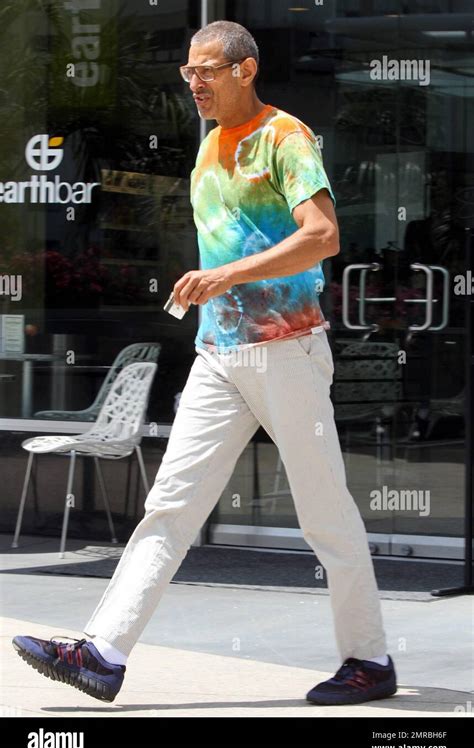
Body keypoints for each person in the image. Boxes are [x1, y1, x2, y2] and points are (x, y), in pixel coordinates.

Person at [12, 21, 397, 706]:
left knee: (324, 514)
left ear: (246, 69)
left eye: (209, 69)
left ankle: (368, 659)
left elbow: (323, 236)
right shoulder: (208, 148)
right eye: (188, 71)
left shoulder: (286, 138)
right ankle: (103, 652)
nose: (194, 82)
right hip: (218, 355)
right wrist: (215, 290)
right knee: (169, 507)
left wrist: (225, 277)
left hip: (286, 349)